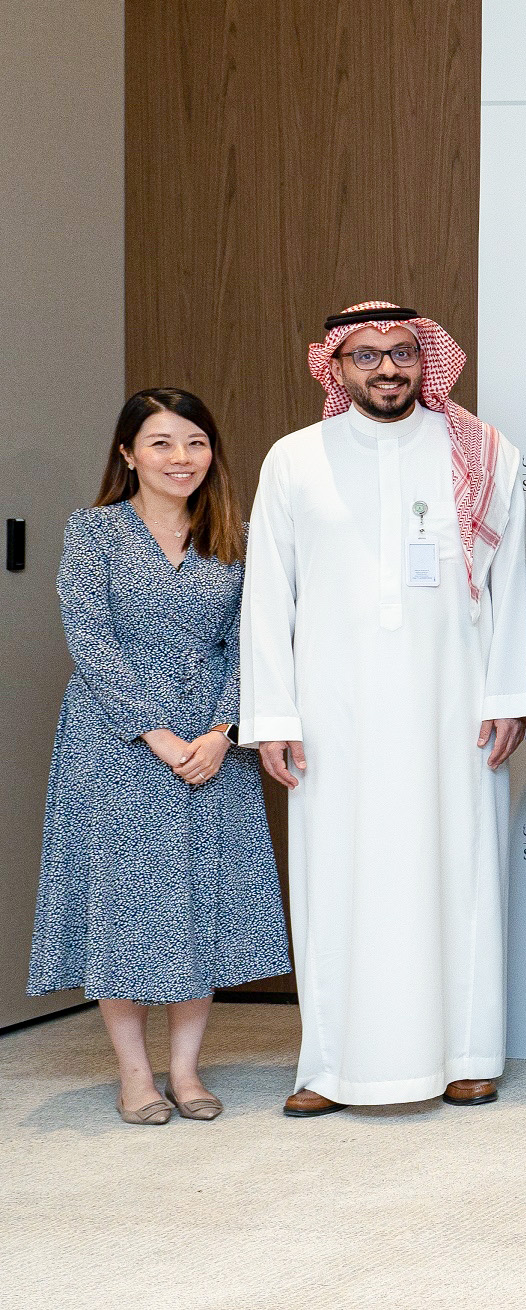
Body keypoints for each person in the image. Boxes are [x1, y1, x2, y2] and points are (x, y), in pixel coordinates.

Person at [241, 304, 526, 1117]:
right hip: (334, 712)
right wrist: (275, 715)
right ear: (335, 367)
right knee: (338, 876)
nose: (388, 368)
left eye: (403, 352)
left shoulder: (481, 453)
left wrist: (508, 692)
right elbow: (268, 592)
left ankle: (467, 1054)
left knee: (459, 868)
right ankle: (333, 1067)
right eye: (367, 355)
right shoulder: (295, 460)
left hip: (455, 707)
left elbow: (513, 586)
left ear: (425, 358)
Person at [30, 389, 288, 1125]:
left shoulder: (236, 535)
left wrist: (220, 730)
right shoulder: (95, 532)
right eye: (162, 443)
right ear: (128, 453)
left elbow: (255, 638)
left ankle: (186, 1071)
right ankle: (135, 1076)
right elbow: (90, 640)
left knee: (199, 900)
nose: (181, 459)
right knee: (125, 904)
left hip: (214, 739)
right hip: (115, 741)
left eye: (195, 443)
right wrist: (157, 731)